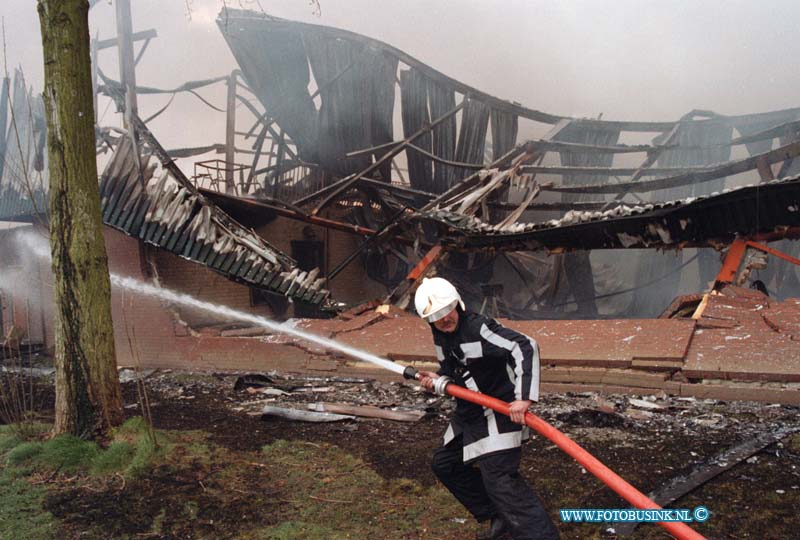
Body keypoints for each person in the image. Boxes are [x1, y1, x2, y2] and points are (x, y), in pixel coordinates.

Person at [414, 277, 559, 540]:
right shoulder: (440, 335)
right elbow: (454, 367)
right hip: (469, 415)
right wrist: (438, 378)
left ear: (457, 304)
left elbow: (524, 346)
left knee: (501, 481)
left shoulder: (479, 327)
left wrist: (524, 397)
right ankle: (499, 517)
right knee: (445, 464)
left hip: (499, 412)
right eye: (436, 316)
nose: (444, 319)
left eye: (447, 310)